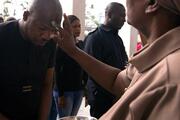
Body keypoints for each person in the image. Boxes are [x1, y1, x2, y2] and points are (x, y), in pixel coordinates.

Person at [57, 0, 180, 119]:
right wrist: (73, 50)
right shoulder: (155, 58)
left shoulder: (172, 79)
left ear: (151, 3)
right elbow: (117, 80)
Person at [0, 0, 62, 119]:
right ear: (26, 16)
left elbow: (47, 84)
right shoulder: (3, 35)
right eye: (42, 28)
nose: (47, 36)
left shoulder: (50, 43)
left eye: (53, 30)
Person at [84, 2, 128, 118]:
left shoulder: (117, 39)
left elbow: (124, 64)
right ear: (109, 15)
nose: (124, 20)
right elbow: (92, 71)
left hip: (117, 94)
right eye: (122, 16)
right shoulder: (95, 38)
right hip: (101, 98)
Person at [55, 15, 85, 118]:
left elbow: (84, 67)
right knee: (65, 118)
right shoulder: (61, 46)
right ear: (67, 28)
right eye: (74, 26)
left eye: (79, 26)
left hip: (78, 89)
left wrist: (84, 88)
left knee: (73, 117)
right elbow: (57, 71)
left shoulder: (81, 44)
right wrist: (60, 94)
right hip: (65, 91)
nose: (78, 29)